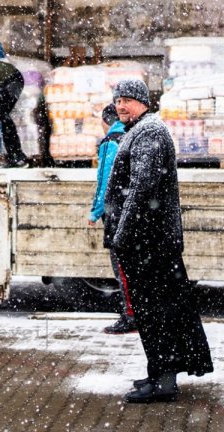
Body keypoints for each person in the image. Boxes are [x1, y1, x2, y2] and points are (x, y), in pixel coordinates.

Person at [104, 78, 213, 403]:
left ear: (142, 102)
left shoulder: (149, 131)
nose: (121, 106)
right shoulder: (141, 129)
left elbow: (142, 187)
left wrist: (122, 234)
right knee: (154, 311)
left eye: (127, 100)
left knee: (157, 312)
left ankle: (164, 381)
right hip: (147, 240)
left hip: (148, 242)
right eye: (118, 100)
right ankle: (158, 372)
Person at [89, 104, 136, 335]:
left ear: (106, 121)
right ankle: (141, 314)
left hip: (117, 212)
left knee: (122, 268)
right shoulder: (135, 135)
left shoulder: (111, 141)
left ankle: (131, 317)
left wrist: (95, 211)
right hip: (135, 209)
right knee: (137, 268)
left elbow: (105, 182)